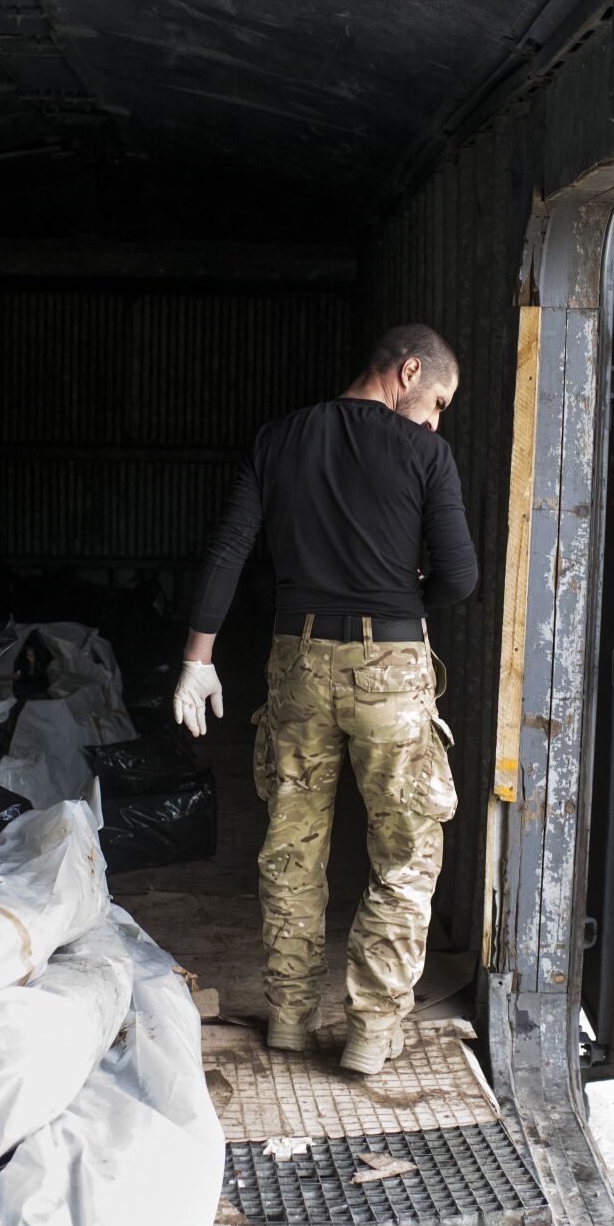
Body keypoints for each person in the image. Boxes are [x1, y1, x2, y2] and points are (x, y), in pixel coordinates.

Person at [172, 323, 478, 1075]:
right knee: (404, 856)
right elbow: (461, 578)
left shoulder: (278, 440)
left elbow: (229, 552)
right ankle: (372, 1032)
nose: (437, 420)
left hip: (297, 662)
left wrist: (197, 660)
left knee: (292, 847)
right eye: (437, 400)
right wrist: (407, 604)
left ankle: (287, 1018)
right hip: (393, 676)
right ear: (407, 372)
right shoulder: (426, 456)